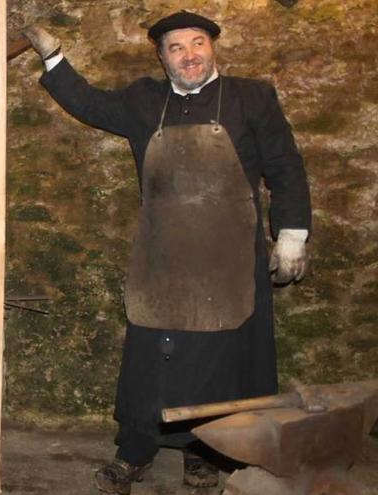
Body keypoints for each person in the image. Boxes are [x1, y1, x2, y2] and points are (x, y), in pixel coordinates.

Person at [23, 10, 311, 494]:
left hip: (230, 257)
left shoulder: (252, 98)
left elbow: (285, 166)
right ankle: (134, 450)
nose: (189, 55)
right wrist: (53, 56)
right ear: (162, 57)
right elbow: (89, 103)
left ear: (212, 48)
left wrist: (292, 236)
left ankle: (206, 455)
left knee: (221, 360)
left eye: (197, 43)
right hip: (163, 256)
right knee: (151, 359)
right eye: (176, 47)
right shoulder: (143, 101)